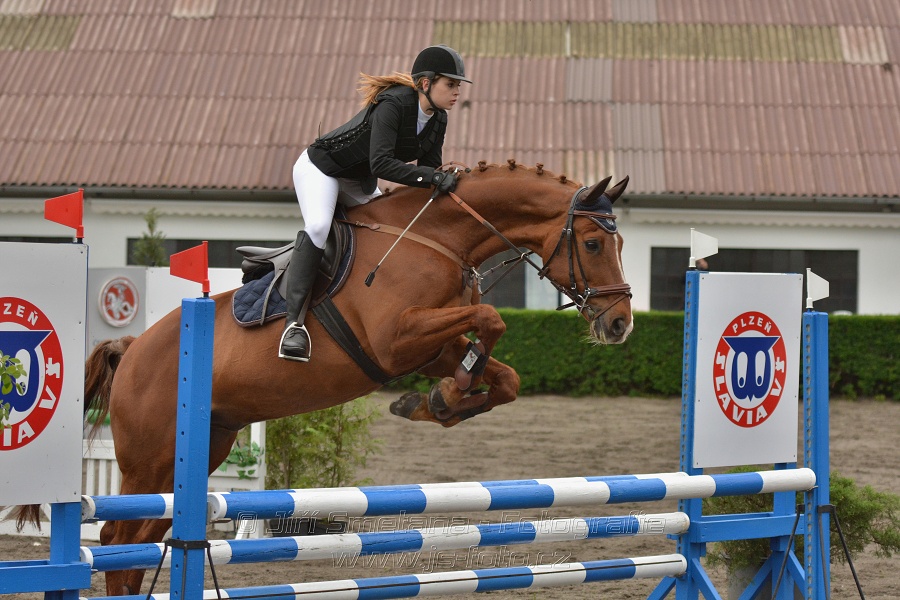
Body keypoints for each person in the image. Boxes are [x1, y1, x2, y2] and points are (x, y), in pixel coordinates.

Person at [279, 44, 472, 361]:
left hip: (359, 182)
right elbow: (382, 164)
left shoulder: (438, 119)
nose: (456, 92)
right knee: (317, 226)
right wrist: (434, 178)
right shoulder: (394, 104)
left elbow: (427, 172)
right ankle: (294, 326)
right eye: (450, 84)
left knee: (389, 231)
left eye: (458, 86)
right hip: (321, 169)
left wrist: (446, 179)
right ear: (425, 83)